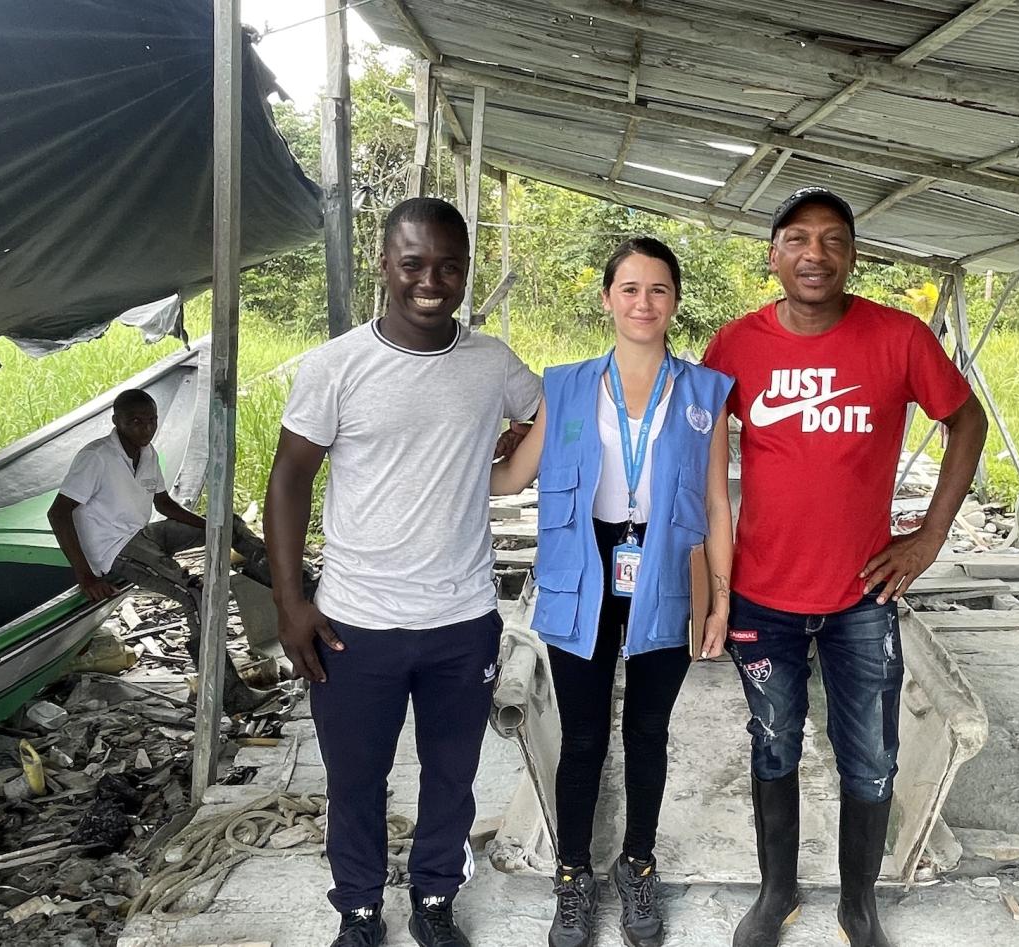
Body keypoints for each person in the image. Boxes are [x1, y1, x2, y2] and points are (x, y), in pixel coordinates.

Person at [701, 187, 987, 947]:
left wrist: (930, 534)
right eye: (797, 239)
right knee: (774, 742)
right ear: (773, 255)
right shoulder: (735, 346)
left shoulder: (898, 338)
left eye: (833, 239)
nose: (815, 254)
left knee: (871, 756)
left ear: (853, 255)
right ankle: (777, 894)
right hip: (762, 595)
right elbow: (691, 449)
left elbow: (967, 419)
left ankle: (858, 905)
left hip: (863, 596)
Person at [264, 197, 542, 947]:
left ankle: (435, 899)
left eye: (448, 267)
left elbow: (551, 410)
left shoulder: (491, 364)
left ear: (465, 272)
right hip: (355, 624)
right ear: (384, 265)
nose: (430, 281)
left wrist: (514, 443)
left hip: (462, 620)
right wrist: (291, 603)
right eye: (413, 263)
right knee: (356, 778)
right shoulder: (337, 366)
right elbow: (288, 479)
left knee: (451, 775)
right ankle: (358, 908)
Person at [490, 237, 733, 947]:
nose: (643, 302)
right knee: (584, 735)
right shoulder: (565, 386)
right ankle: (573, 875)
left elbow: (717, 503)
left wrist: (720, 600)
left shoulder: (705, 392)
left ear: (675, 302)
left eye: (658, 289)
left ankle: (637, 864)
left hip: (667, 567)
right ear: (607, 299)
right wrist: (449, 457)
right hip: (583, 566)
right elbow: (514, 477)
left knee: (648, 731)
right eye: (629, 288)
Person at [47, 389, 275, 712]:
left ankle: (284, 584)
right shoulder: (96, 457)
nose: (145, 428)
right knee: (194, 594)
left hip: (142, 534)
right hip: (114, 550)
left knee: (231, 525)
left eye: (151, 420)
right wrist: (85, 576)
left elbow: (164, 503)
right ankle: (229, 694)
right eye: (135, 422)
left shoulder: (147, 452)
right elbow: (58, 513)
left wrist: (211, 527)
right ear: (116, 421)